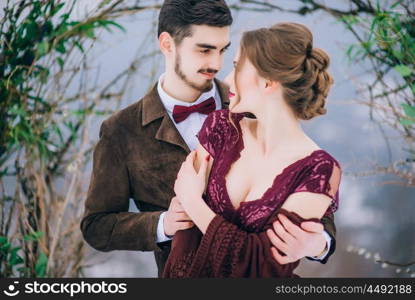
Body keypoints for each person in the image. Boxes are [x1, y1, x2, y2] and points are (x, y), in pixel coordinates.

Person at [80, 0, 337, 278]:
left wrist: (320, 243)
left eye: (222, 50)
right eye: (204, 50)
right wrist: (164, 224)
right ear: (167, 44)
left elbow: (303, 176)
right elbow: (97, 226)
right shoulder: (121, 130)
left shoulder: (255, 99)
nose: (216, 63)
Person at [162, 22, 341, 278]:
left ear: (268, 82)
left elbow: (263, 268)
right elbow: (184, 230)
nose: (225, 79)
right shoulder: (220, 127)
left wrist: (194, 202)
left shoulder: (320, 170)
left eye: (236, 67)